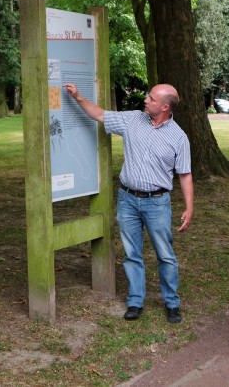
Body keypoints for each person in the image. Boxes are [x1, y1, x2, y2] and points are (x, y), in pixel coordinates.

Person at [64, 83, 194, 324]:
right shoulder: (133, 120)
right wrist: (78, 97)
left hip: (157, 203)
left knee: (165, 255)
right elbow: (100, 115)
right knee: (132, 253)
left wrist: (189, 207)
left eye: (152, 98)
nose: (146, 100)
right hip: (127, 200)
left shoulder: (179, 137)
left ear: (165, 106)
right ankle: (135, 301)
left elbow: (185, 174)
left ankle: (172, 303)